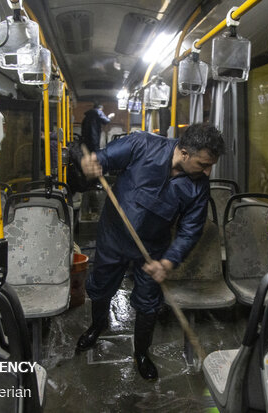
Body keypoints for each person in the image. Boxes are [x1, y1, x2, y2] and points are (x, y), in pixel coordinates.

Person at [76, 123, 225, 380]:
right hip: (114, 236)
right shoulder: (142, 144)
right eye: (204, 164)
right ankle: (97, 325)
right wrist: (93, 162)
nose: (208, 172)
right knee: (101, 287)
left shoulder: (199, 187)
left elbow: (190, 230)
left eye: (211, 165)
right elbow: (104, 158)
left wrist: (168, 262)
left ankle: (141, 353)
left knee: (148, 303)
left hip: (153, 250)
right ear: (184, 153)